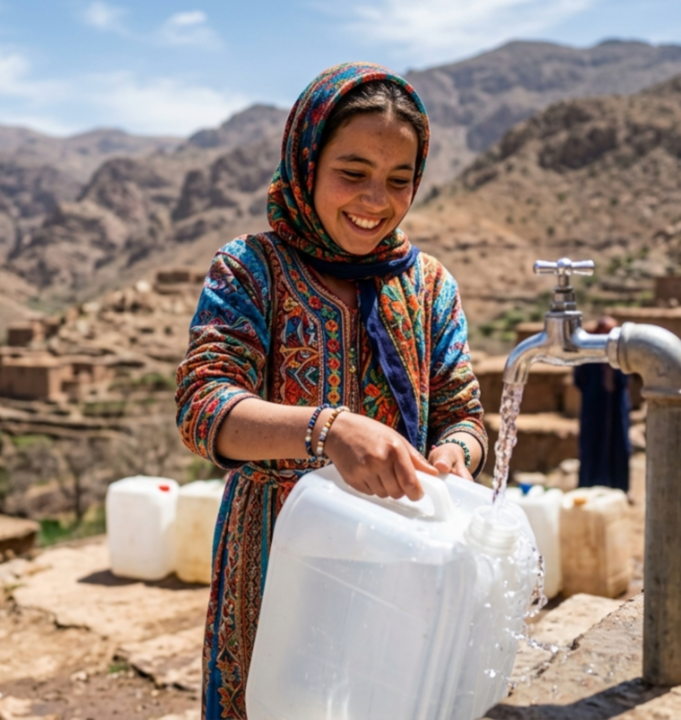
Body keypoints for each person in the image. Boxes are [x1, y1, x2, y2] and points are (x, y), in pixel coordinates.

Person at [175, 63, 487, 720]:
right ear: (308, 163)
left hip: (400, 562)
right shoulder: (251, 270)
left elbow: (462, 414)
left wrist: (456, 455)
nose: (376, 199)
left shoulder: (429, 287)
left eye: (399, 180)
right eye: (353, 172)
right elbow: (204, 405)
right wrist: (329, 429)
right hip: (276, 558)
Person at [573, 317, 631, 491]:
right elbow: (579, 379)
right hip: (594, 408)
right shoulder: (587, 355)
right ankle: (588, 486)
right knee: (592, 446)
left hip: (616, 408)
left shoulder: (621, 355)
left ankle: (619, 488)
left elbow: (626, 378)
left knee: (618, 447)